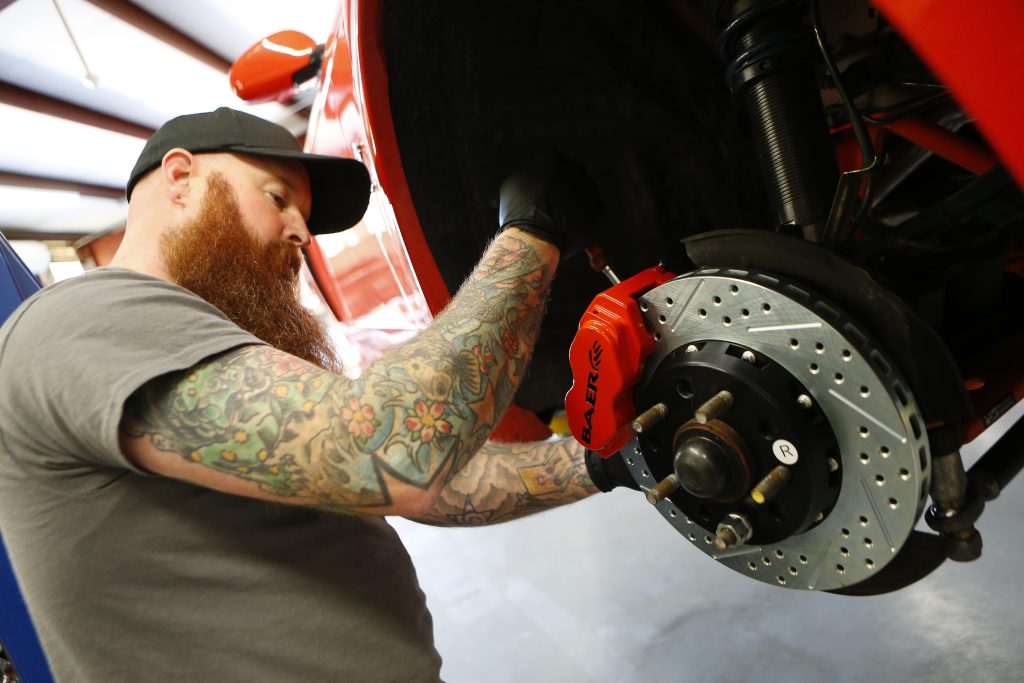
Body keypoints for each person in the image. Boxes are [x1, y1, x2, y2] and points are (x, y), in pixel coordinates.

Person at [0, 108, 633, 681]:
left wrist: (607, 460)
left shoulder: (194, 339)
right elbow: (390, 450)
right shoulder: (86, 320)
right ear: (181, 176)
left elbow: (418, 481)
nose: (302, 235)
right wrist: (530, 233)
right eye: (277, 198)